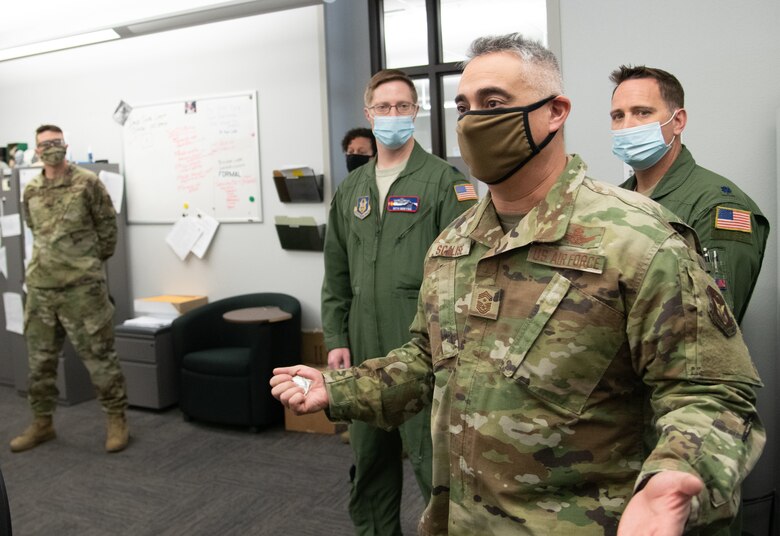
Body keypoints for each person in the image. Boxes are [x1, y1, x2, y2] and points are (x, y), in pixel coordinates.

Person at [272, 34, 765, 535]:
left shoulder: (636, 239)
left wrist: (677, 474)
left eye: (494, 103)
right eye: (463, 106)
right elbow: (426, 361)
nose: (471, 121)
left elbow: (713, 392)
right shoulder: (454, 245)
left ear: (555, 112)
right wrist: (339, 388)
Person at [321, 69, 477, 535]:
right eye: (384, 107)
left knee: (436, 473)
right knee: (369, 466)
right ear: (368, 115)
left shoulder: (446, 183)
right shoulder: (351, 190)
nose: (393, 115)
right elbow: (336, 274)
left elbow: (465, 276)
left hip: (425, 354)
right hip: (363, 350)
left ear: (417, 111)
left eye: (402, 106)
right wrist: (335, 337)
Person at [610, 65, 769, 325]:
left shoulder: (717, 205)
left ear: (678, 121)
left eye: (642, 112)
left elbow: (715, 321)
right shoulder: (615, 200)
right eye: (618, 116)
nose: (627, 126)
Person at [10, 125, 129, 454]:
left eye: (56, 142)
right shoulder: (31, 190)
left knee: (100, 360)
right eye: (44, 144)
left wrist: (85, 264)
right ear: (36, 151)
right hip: (41, 289)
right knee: (39, 363)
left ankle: (116, 420)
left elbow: (108, 229)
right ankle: (42, 423)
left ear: (66, 145)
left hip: (82, 291)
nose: (51, 148)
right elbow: (34, 229)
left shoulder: (87, 183)